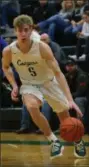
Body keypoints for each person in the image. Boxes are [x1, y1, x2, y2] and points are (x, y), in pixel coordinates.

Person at [2, 14, 86, 159]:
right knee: (31, 106)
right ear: (15, 31)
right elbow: (5, 67)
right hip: (29, 84)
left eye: (25, 30)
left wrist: (70, 99)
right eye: (19, 30)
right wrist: (14, 85)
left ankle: (77, 140)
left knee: (66, 120)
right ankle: (53, 141)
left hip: (49, 82)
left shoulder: (42, 47)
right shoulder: (9, 51)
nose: (22, 33)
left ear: (31, 30)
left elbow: (58, 73)